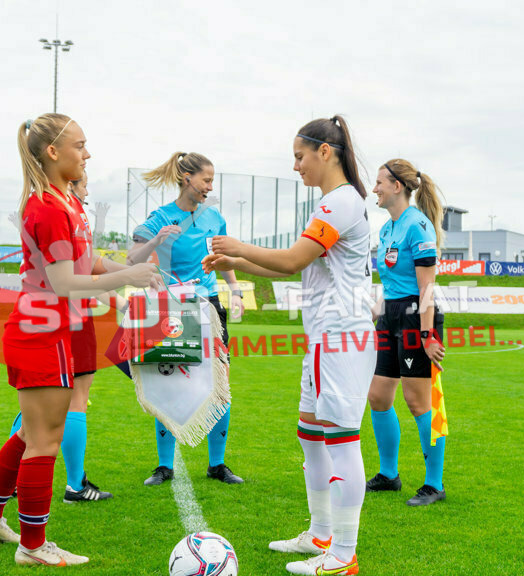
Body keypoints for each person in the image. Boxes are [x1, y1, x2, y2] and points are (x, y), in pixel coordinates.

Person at [0, 113, 160, 567]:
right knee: (44, 440)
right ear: (53, 152)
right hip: (43, 329)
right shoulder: (49, 208)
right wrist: (127, 275)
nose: (87, 154)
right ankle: (33, 547)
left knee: (33, 433)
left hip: (58, 330)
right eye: (80, 145)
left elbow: (88, 264)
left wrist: (134, 275)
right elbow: (62, 282)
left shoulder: (66, 204)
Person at [204, 116, 372, 576]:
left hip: (342, 336)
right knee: (310, 434)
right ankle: (320, 534)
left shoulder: (340, 202)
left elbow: (295, 257)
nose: (296, 166)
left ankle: (343, 553)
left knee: (340, 440)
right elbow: (297, 268)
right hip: (325, 336)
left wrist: (241, 245)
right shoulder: (331, 203)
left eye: (299, 156)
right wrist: (235, 260)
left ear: (324, 152)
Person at [126, 151, 246, 486]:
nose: (210, 186)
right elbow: (132, 254)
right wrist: (155, 239)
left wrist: (234, 290)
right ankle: (165, 466)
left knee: (219, 383)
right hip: (170, 308)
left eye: (212, 180)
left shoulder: (213, 217)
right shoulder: (161, 216)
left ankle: (217, 464)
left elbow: (224, 256)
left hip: (208, 305)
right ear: (186, 178)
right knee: (166, 380)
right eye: (206, 179)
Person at [7, 176, 114, 503]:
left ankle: (7, 487)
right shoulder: (65, 212)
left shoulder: (54, 208)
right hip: (66, 316)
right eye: (83, 185)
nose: (87, 191)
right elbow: (79, 270)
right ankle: (75, 484)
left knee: (36, 407)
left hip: (49, 313)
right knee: (75, 397)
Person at [365, 159, 449, 507]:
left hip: (418, 317)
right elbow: (390, 282)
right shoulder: (387, 229)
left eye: (380, 183)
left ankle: (434, 484)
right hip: (391, 315)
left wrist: (428, 335)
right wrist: (378, 314)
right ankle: (389, 475)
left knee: (418, 402)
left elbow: (426, 287)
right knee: (378, 396)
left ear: (397, 186)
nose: (375, 189)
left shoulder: (418, 226)